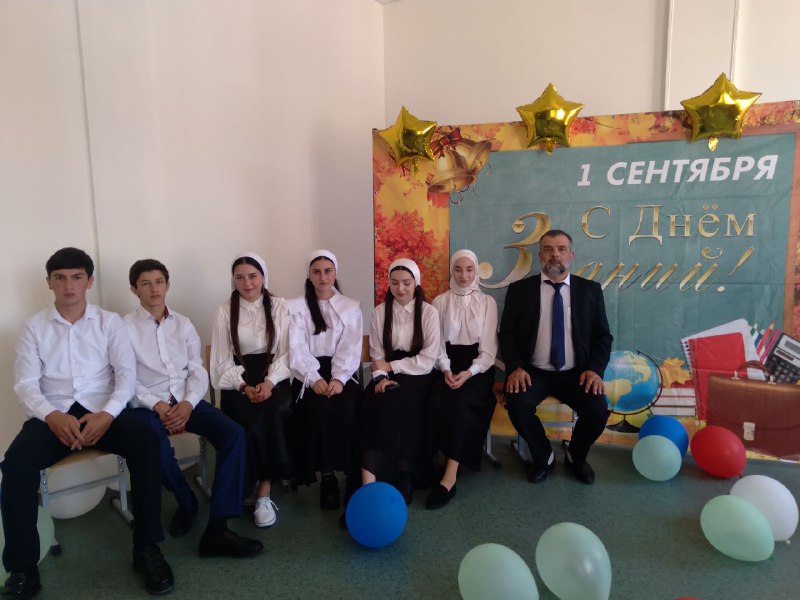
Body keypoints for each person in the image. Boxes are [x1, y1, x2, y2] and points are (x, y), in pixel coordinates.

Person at [1, 248, 173, 598]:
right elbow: (25, 384)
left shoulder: (109, 322)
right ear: (49, 282)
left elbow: (126, 375)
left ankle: (147, 548)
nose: (69, 285)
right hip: (53, 415)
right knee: (16, 463)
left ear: (89, 281)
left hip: (103, 410)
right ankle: (22, 569)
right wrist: (52, 416)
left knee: (147, 439)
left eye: (77, 277)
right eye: (60, 278)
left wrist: (108, 414)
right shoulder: (34, 327)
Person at [124, 259, 262, 558]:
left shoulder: (183, 324)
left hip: (187, 400)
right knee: (152, 444)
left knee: (234, 434)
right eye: (146, 283)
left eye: (159, 282)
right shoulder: (123, 328)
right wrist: (159, 405)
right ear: (134, 289)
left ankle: (218, 529)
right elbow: (125, 378)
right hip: (146, 406)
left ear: (168, 285)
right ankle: (186, 500)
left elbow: (197, 370)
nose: (154, 289)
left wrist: (187, 404)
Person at [499, 230, 612, 485]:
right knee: (517, 404)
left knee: (597, 410)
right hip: (532, 372)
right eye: (548, 249)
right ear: (540, 255)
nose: (555, 254)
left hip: (577, 373)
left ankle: (575, 457)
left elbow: (603, 337)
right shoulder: (519, 290)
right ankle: (544, 457)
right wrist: (515, 367)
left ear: (570, 255)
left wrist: (595, 369)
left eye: (561, 249)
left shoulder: (590, 290)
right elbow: (506, 335)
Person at [210, 252, 292, 528]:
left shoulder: (279, 306)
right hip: (239, 378)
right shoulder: (224, 311)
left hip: (273, 376)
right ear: (233, 280)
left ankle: (264, 491)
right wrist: (243, 386)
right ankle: (246, 481)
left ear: (263, 277)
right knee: (243, 419)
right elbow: (221, 360)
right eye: (240, 277)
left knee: (271, 412)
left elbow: (287, 352)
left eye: (253, 276)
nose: (247, 283)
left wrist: (269, 382)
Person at [361, 258, 441, 505]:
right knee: (372, 404)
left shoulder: (428, 312)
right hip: (386, 373)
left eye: (406, 283)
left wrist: (392, 367)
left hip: (419, 375)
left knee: (404, 405)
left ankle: (405, 472)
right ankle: (373, 475)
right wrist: (381, 377)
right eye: (394, 283)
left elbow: (427, 360)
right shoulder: (379, 312)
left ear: (416, 283)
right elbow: (377, 354)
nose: (401, 288)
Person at [288, 250, 362, 510]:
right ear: (308, 275)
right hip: (308, 373)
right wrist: (313, 378)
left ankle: (353, 475)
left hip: (343, 371)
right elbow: (296, 347)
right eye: (317, 272)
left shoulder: (350, 308)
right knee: (317, 411)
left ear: (335, 273)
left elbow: (351, 345)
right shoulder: (296, 309)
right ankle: (327, 477)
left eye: (328, 271)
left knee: (348, 410)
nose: (323, 277)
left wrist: (339, 378)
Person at [427, 249, 498, 509]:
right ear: (452, 271)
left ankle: (450, 476)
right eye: (458, 269)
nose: (464, 275)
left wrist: (469, 373)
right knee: (434, 400)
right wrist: (446, 369)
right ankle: (428, 462)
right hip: (445, 365)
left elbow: (488, 350)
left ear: (476, 270)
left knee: (461, 403)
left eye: (469, 269)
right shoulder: (439, 301)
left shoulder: (487, 302)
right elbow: (435, 344)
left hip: (477, 368)